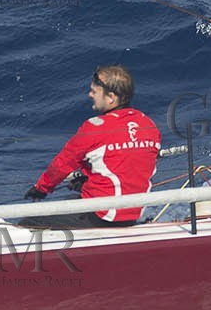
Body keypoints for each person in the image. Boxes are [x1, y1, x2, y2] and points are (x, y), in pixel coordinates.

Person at [24, 65, 161, 227]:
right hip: (133, 215)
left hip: (101, 216)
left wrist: (41, 189)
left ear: (110, 97)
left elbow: (62, 164)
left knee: (28, 222)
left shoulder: (95, 127)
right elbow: (127, 165)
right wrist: (87, 180)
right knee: (72, 201)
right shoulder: (148, 124)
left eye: (94, 92)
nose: (90, 95)